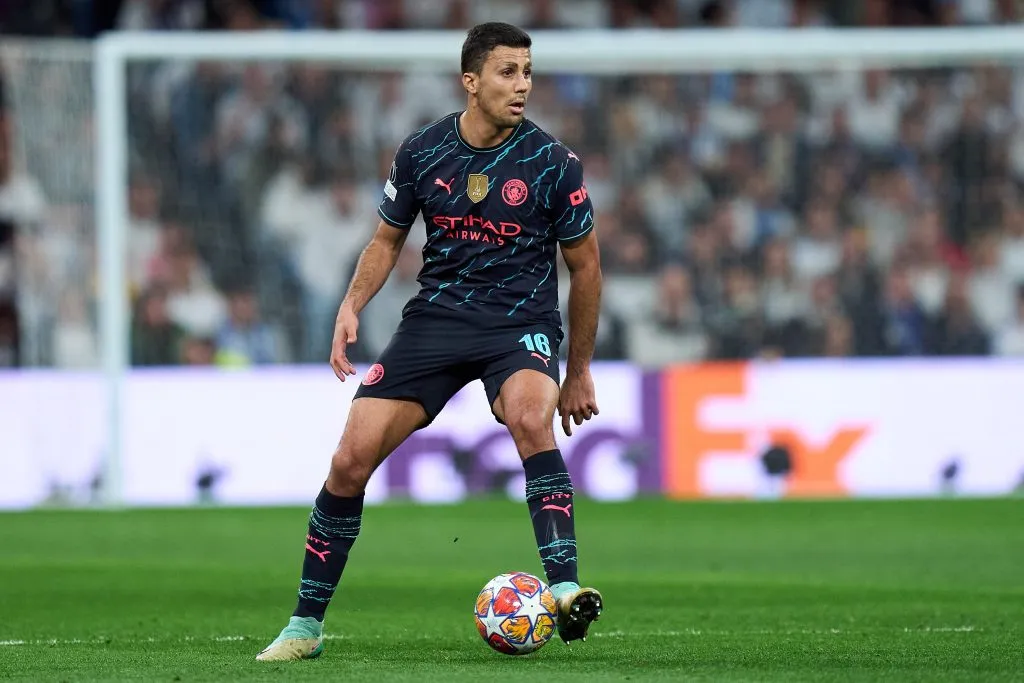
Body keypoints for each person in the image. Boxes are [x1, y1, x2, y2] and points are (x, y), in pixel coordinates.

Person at [257, 22, 604, 661]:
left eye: (527, 71)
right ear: (470, 81)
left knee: (532, 418)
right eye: (507, 72)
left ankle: (563, 587)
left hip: (517, 320)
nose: (522, 85)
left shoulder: (554, 163)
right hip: (435, 322)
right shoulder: (422, 150)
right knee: (348, 461)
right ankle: (304, 627)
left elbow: (586, 267)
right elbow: (386, 240)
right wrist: (350, 305)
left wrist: (577, 370)